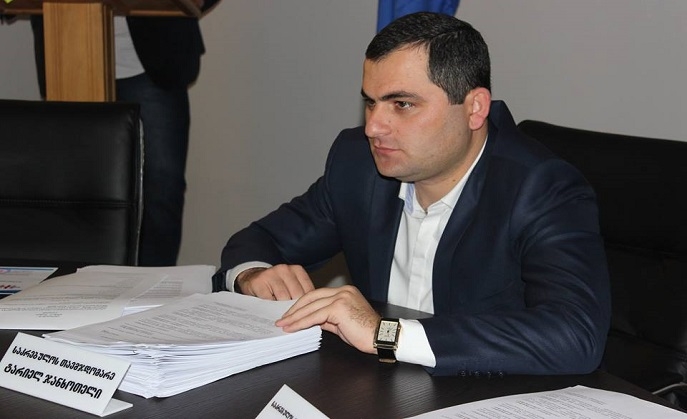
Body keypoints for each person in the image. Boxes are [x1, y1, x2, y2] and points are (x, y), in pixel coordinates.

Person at [213, 12, 611, 376]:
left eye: (402, 104)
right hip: (378, 388)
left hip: (484, 395)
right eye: (370, 103)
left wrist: (384, 334)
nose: (373, 127)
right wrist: (254, 275)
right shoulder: (357, 164)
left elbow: (574, 335)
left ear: (475, 108)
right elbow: (258, 240)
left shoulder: (541, 187)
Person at [29, 1, 220, 266]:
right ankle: (81, 283)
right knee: (74, 187)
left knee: (162, 188)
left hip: (152, 63)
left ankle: (153, 284)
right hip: (68, 53)